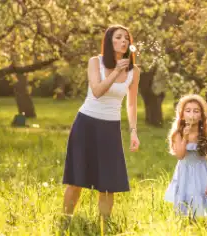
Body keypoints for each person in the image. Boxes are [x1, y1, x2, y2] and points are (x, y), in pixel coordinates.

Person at [62, 25, 140, 222]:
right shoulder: (95, 62)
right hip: (86, 124)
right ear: (109, 41)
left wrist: (133, 132)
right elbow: (97, 91)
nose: (124, 41)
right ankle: (66, 220)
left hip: (110, 128)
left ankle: (104, 226)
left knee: (108, 184)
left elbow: (131, 104)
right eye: (119, 37)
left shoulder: (134, 71)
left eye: (126, 38)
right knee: (76, 180)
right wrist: (115, 72)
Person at [165, 94, 207, 225]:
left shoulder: (205, 135)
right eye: (188, 111)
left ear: (201, 116)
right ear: (182, 115)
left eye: (196, 111)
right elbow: (180, 155)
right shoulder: (178, 134)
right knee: (188, 203)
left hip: (203, 172)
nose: (192, 114)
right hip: (185, 173)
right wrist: (185, 137)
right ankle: (191, 228)